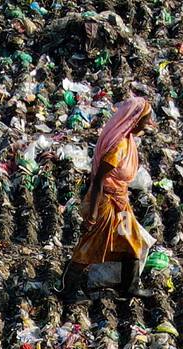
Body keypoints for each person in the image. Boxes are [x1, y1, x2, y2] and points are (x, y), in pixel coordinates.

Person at [60, 96, 157, 301]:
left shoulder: (127, 141)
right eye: (145, 120)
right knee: (89, 247)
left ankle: (129, 287)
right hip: (106, 204)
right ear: (134, 119)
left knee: (132, 243)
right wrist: (93, 214)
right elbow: (98, 181)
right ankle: (67, 290)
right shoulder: (117, 147)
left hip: (120, 202)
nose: (147, 124)